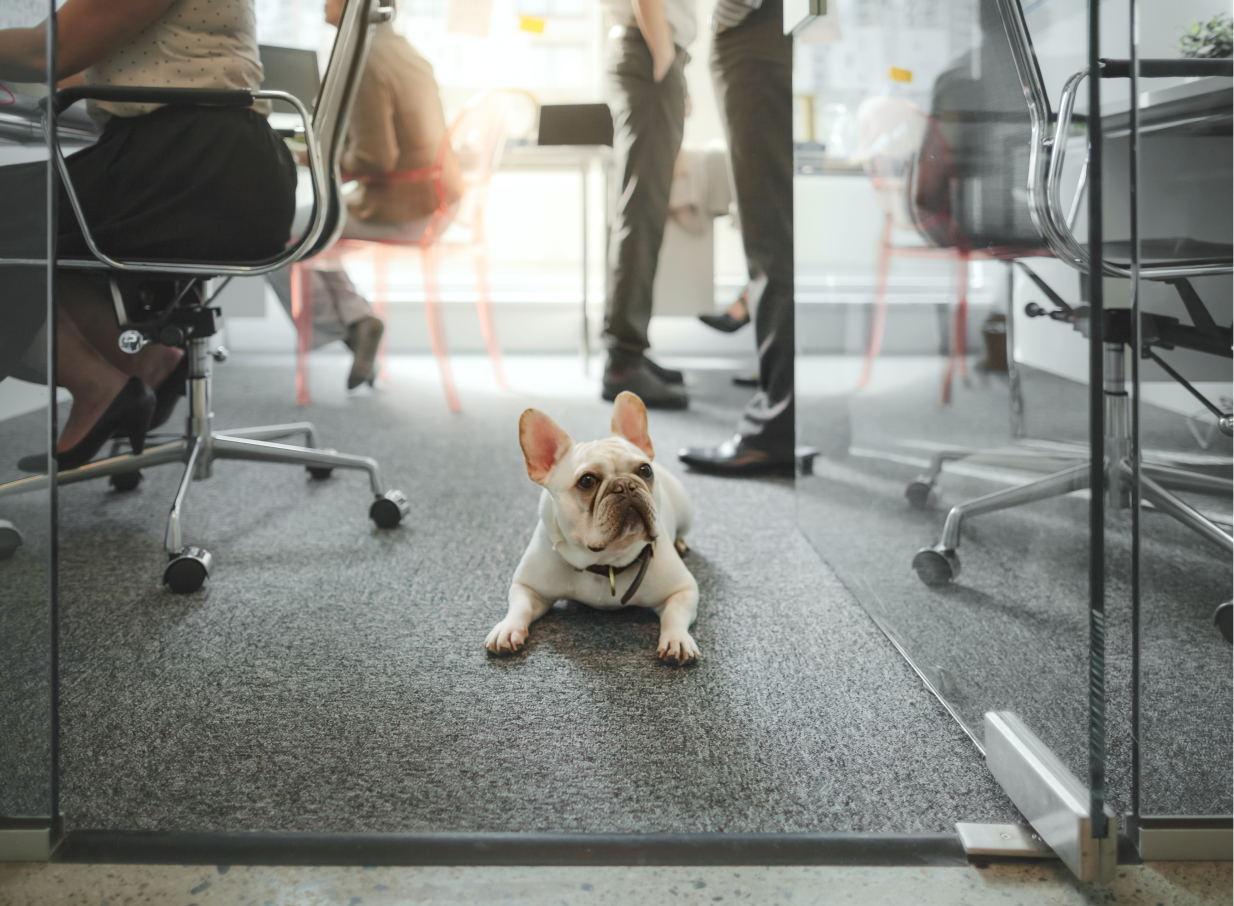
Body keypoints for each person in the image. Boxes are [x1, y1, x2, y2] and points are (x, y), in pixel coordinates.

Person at [0, 0, 297, 472]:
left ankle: (99, 385)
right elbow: (80, 70)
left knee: (14, 219)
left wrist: (30, 63)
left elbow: (47, 51)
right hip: (213, 161)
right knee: (43, 227)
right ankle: (144, 362)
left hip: (195, 163)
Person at [268, 0, 462, 390]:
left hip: (402, 207)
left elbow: (376, 156)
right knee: (308, 229)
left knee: (274, 235)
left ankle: (351, 329)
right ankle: (358, 321)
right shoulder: (400, 48)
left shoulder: (366, 59)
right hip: (434, 201)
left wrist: (310, 159)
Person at [677, 0, 794, 476]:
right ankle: (782, 416)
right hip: (769, 31)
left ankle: (774, 428)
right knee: (775, 223)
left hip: (756, 30)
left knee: (770, 227)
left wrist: (724, 16)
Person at [598, 0, 696, 409]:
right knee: (641, 212)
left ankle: (629, 350)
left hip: (644, 45)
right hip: (646, 45)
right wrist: (663, 56)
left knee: (641, 210)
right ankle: (624, 360)